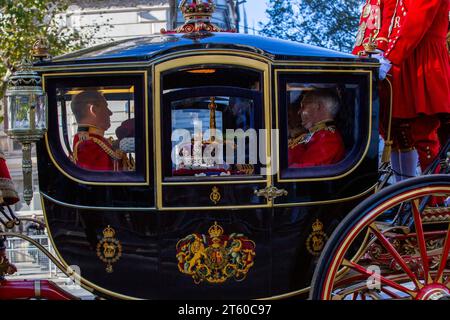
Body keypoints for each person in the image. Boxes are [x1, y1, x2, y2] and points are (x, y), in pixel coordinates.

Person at [379, 0, 450, 178]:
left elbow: (417, 20)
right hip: (403, 61)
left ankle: (435, 201)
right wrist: (382, 52)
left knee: (424, 132)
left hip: (422, 60)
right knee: (400, 133)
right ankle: (408, 199)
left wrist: (391, 57)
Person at [71, 90, 131, 171]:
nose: (110, 113)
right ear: (93, 110)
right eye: (106, 107)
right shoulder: (88, 146)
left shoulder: (95, 142)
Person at [288, 89, 345, 168]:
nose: (299, 112)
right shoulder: (317, 133)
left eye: (303, 106)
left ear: (318, 107)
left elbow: (303, 172)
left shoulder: (328, 139)